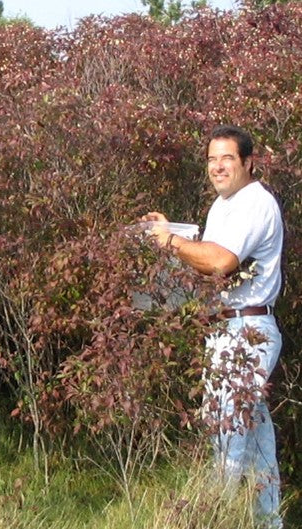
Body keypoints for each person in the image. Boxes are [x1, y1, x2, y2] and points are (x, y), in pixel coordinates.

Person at [143, 125, 283, 528]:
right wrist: (175, 235)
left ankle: (214, 516)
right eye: (211, 159)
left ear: (247, 162)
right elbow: (204, 261)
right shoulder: (223, 206)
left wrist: (170, 242)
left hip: (248, 332)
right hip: (227, 330)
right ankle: (268, 522)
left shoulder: (254, 203)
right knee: (255, 438)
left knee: (227, 431)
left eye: (227, 158)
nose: (218, 166)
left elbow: (221, 261)